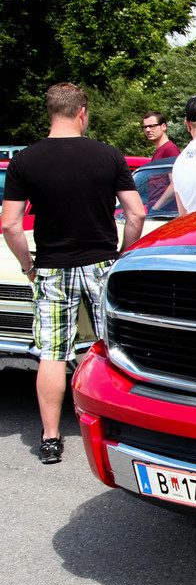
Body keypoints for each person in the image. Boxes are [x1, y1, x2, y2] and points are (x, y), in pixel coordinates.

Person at [0, 82, 145, 464]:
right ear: (82, 112)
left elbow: (10, 224)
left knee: (51, 353)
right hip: (101, 264)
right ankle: (122, 426)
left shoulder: (25, 161)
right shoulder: (109, 155)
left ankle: (50, 438)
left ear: (50, 113)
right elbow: (136, 213)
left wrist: (28, 266)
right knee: (113, 346)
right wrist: (122, 257)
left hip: (51, 266)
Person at [142, 111, 181, 211]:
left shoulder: (170, 149)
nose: (148, 130)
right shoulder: (159, 151)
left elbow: (175, 184)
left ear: (163, 126)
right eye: (145, 127)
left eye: (152, 126)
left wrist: (156, 208)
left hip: (165, 211)